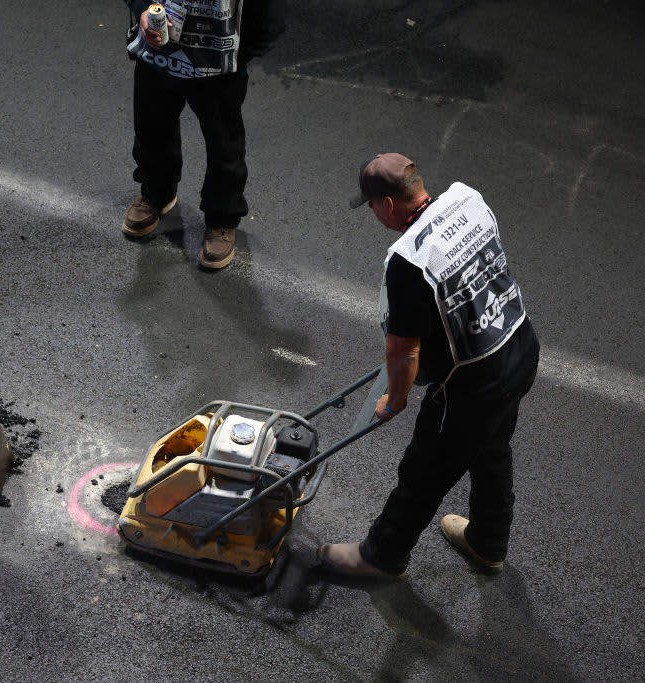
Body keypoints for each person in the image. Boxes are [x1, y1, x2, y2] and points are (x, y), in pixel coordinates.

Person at [319, 153, 540, 578]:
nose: (373, 213)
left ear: (386, 204)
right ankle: (488, 542)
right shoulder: (468, 199)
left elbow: (404, 352)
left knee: (424, 469)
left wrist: (394, 401)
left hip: (474, 384)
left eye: (371, 205)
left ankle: (381, 557)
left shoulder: (408, 260)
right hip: (518, 346)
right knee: (492, 448)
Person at [121, 0, 286, 269]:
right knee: (151, 126)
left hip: (219, 64)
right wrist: (142, 8)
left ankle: (222, 219)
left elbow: (270, 12)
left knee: (223, 145)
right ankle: (156, 193)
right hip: (158, 51)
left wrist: (241, 52)